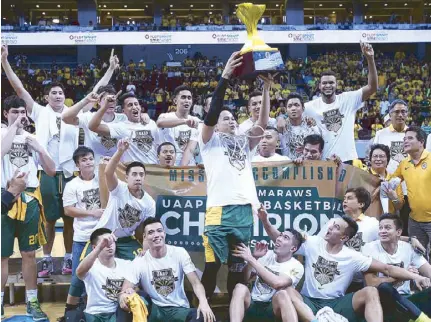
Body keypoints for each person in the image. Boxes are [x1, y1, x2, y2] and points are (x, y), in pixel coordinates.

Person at [257, 207, 431, 322]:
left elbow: (387, 268)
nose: (329, 228)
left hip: (337, 304)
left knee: (370, 291)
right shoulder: (312, 242)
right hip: (308, 302)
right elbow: (282, 240)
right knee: (287, 291)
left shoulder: (353, 256)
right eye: (331, 225)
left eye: (335, 228)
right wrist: (265, 221)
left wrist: (417, 276)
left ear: (344, 238)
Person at [198, 51, 271, 299]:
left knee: (238, 266)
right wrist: (225, 78)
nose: (228, 120)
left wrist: (266, 89)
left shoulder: (244, 143)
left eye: (231, 118)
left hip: (244, 210)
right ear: (215, 124)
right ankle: (203, 311)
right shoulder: (208, 141)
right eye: (223, 118)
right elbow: (212, 111)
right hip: (218, 209)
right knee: (212, 264)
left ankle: (234, 311)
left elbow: (262, 123)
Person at [2, 45, 77, 277]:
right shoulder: (38, 112)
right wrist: (5, 62)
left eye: (60, 93)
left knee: (69, 219)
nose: (57, 95)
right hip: (41, 176)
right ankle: (46, 259)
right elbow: (19, 88)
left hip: (67, 171)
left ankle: (67, 258)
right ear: (45, 97)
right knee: (50, 218)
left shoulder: (74, 113)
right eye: (53, 92)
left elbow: (97, 98)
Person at [1, 95, 55, 320]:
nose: (20, 116)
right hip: (5, 198)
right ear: (6, 114)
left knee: (29, 253)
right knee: (2, 256)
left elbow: (51, 170)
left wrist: (40, 149)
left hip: (30, 200)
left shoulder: (32, 138)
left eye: (23, 113)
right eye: (15, 112)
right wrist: (13, 128)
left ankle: (32, 301)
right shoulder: (2, 133)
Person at [279, 42, 378, 163]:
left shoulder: (348, 99)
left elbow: (372, 87)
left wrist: (370, 59)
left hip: (347, 158)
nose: (328, 85)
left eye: (331, 82)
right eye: (324, 83)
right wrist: (281, 117)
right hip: (324, 160)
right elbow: (292, 112)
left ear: (336, 84)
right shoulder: (311, 106)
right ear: (319, 86)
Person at [119, 217, 216, 322]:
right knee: (131, 300)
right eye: (151, 232)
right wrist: (124, 297)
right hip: (155, 310)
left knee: (205, 317)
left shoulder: (179, 253)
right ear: (145, 237)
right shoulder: (139, 261)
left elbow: (196, 283)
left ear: (164, 233)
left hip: (179, 309)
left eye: (159, 231)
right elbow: (124, 291)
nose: (156, 235)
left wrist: (203, 302)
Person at [92, 139, 156, 257]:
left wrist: (146, 250)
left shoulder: (150, 203)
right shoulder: (119, 189)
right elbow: (108, 172)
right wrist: (120, 151)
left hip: (125, 240)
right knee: (90, 271)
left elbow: (148, 230)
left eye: (141, 175)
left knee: (141, 262)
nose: (138, 178)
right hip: (103, 235)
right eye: (134, 174)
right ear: (126, 178)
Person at [362, 214, 431, 321]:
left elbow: (428, 271)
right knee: (384, 287)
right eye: (380, 228)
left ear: (398, 232)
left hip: (407, 299)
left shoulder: (408, 248)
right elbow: (371, 283)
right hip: (381, 303)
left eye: (387, 228)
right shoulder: (369, 248)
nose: (382, 231)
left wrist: (426, 280)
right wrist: (405, 275)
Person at [62, 146, 104, 315]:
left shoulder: (103, 180)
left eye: (90, 159)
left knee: (100, 276)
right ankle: (70, 312)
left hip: (102, 237)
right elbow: (68, 210)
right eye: (84, 160)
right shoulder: (72, 185)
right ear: (77, 165)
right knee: (77, 278)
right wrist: (91, 212)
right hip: (82, 238)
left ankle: (91, 310)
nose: (88, 162)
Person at [229, 231, 305, 322]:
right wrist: (255, 258)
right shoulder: (265, 254)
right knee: (240, 287)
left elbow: (277, 283)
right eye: (280, 235)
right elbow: (245, 279)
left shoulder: (296, 266)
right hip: (253, 303)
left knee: (283, 294)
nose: (279, 239)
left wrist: (251, 259)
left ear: (293, 248)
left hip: (272, 308)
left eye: (285, 237)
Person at [390, 126, 431, 260]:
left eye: (410, 138)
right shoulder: (403, 164)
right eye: (404, 139)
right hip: (414, 221)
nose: (405, 141)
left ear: (421, 142)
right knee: (418, 258)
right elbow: (391, 181)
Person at [88, 92, 160, 165]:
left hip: (153, 169)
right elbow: (93, 127)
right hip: (132, 172)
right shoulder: (121, 127)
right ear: (123, 111)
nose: (134, 107)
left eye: (136, 104)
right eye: (130, 105)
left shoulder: (151, 123)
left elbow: (159, 146)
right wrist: (105, 106)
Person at [76, 228, 131, 322]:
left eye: (111, 242)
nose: (109, 245)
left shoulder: (126, 264)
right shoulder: (91, 266)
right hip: (94, 314)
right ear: (94, 247)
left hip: (118, 313)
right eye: (105, 243)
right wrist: (100, 247)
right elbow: (79, 272)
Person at [157, 85, 200, 165]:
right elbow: (160, 123)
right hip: (167, 166)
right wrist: (184, 121)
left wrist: (181, 169)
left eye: (189, 98)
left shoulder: (196, 121)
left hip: (187, 167)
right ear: (175, 101)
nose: (187, 100)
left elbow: (190, 149)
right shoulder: (165, 116)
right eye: (183, 97)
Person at [278, 93, 320, 159]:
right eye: (290, 106)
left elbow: (319, 147)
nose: (293, 108)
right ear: (286, 110)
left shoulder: (311, 125)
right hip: (287, 166)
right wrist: (280, 118)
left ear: (303, 108)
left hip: (308, 166)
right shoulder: (281, 126)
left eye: (296, 105)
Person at [368, 144, 404, 214]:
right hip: (368, 220)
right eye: (375, 156)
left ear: (388, 160)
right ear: (370, 159)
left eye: (382, 156)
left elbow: (399, 207)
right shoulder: (363, 176)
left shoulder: (394, 180)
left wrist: (394, 198)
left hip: (388, 220)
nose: (378, 159)